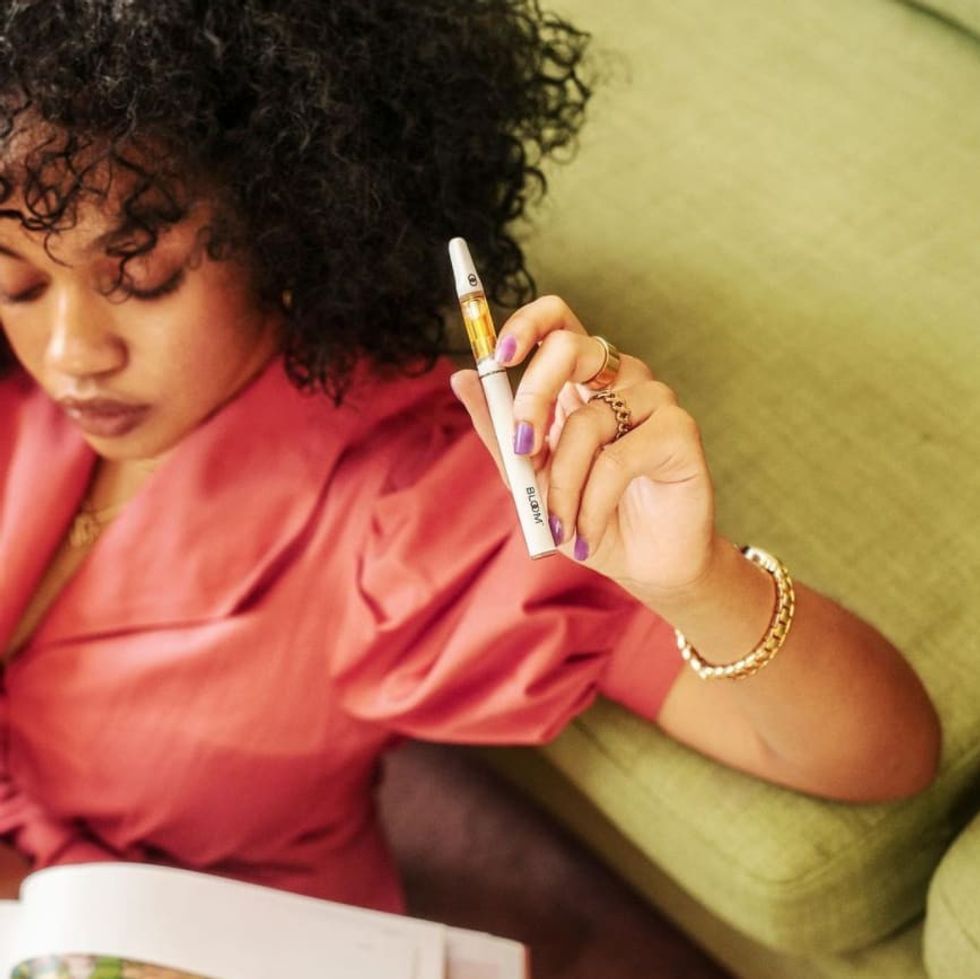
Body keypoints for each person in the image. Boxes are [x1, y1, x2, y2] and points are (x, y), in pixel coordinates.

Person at [0, 0, 940, 913]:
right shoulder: (21, 392)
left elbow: (883, 753)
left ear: (286, 225)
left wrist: (696, 582)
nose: (73, 353)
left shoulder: (405, 514)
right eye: (20, 281)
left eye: (142, 277)